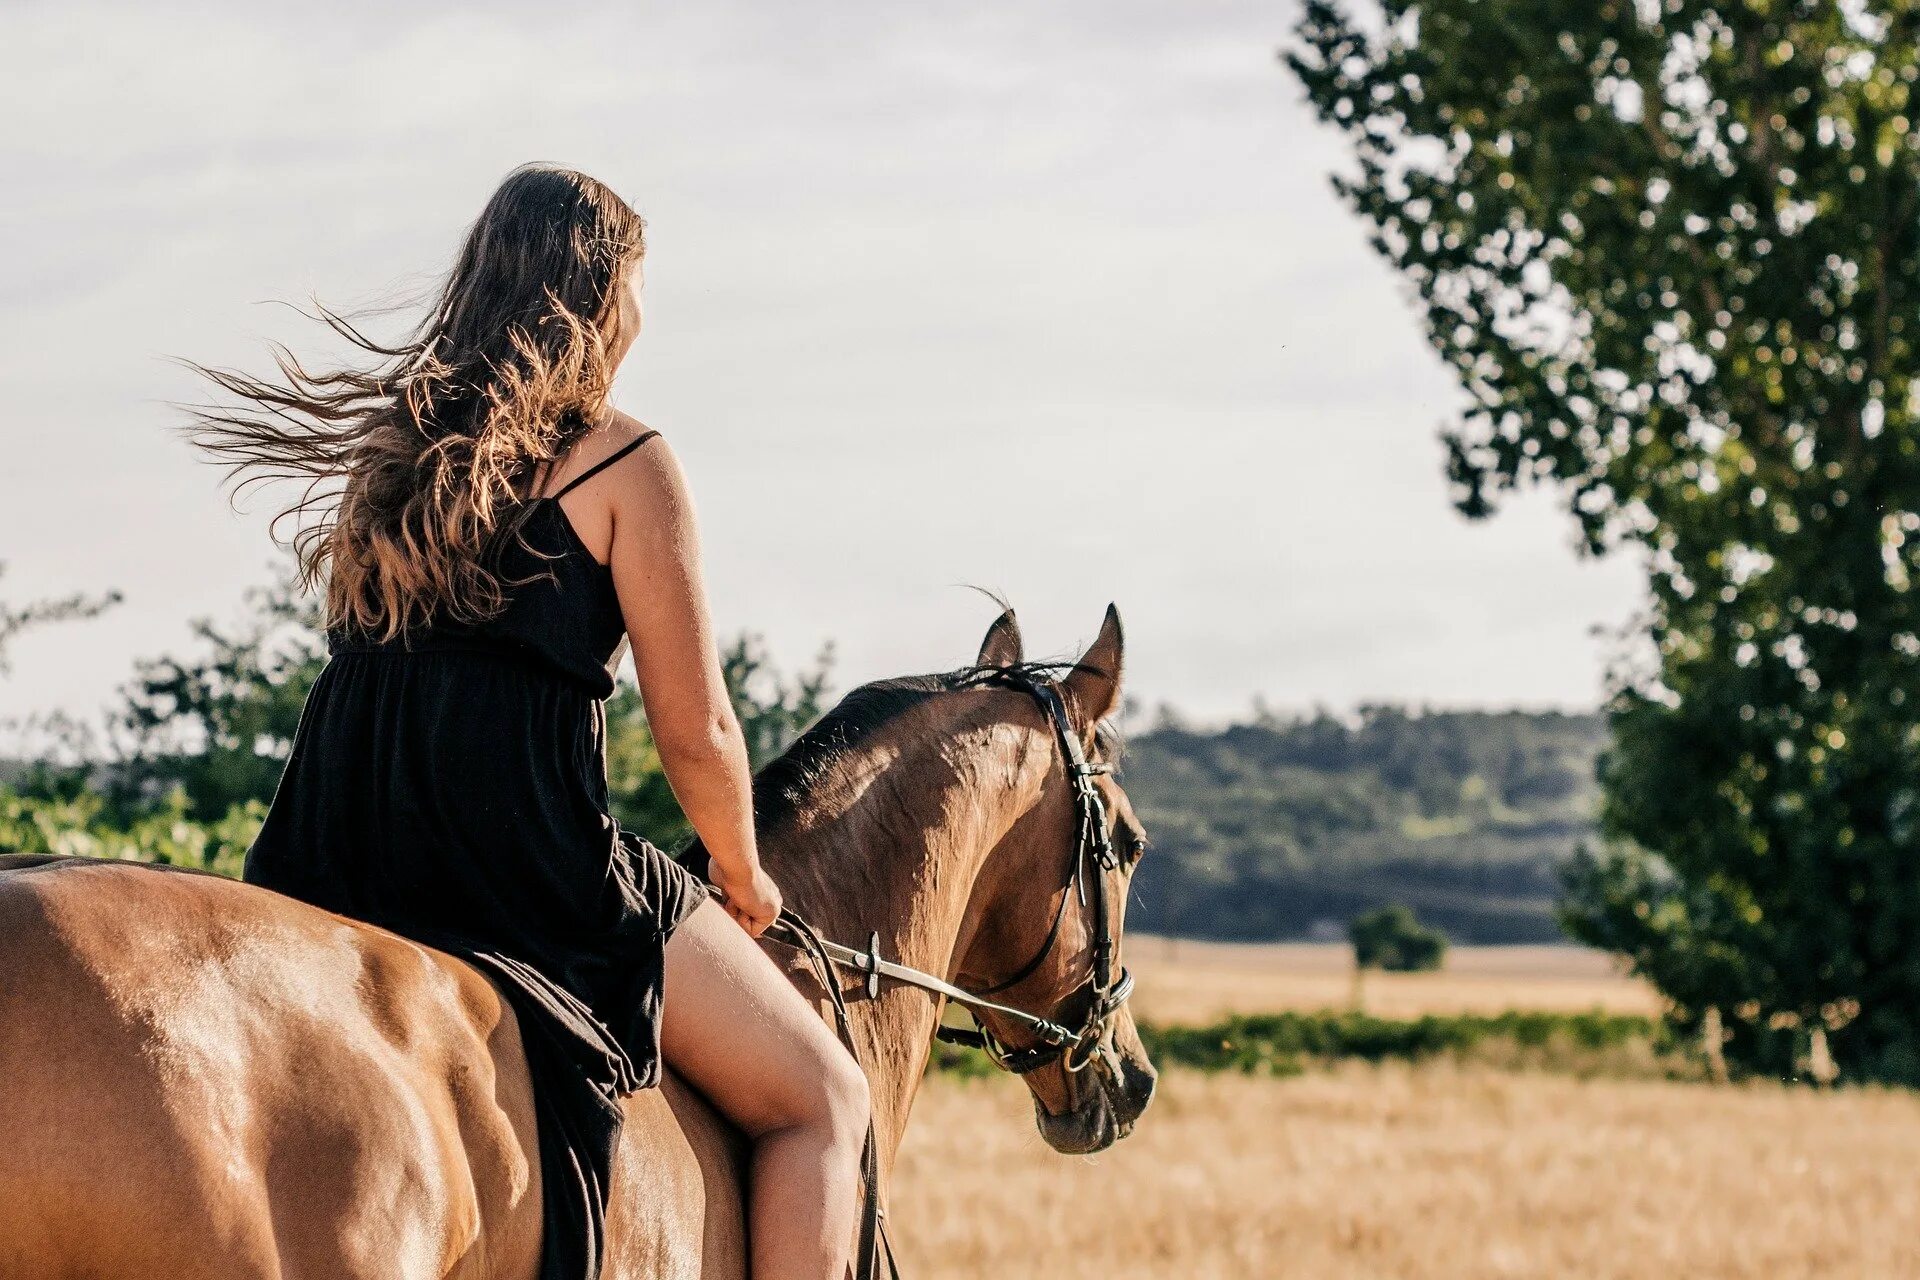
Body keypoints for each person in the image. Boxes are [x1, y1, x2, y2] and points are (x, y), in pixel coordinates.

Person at [180, 163, 871, 1280]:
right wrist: (746, 877)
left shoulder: (392, 451)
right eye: (638, 283)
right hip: (520, 865)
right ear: (602, 293)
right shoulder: (625, 458)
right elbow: (697, 733)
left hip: (339, 845)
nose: (643, 312)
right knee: (824, 1099)